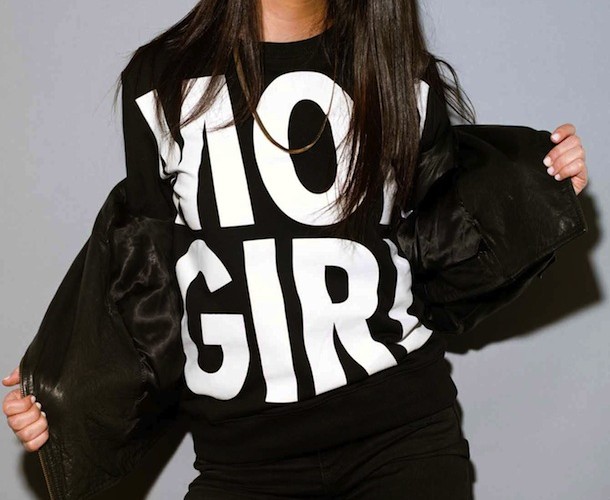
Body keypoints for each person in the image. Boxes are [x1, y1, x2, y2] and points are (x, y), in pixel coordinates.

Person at [3, 1, 588, 498]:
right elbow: (150, 289)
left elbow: (439, 250)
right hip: (242, 463)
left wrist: (540, 186)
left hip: (403, 440)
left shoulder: (398, 71)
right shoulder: (160, 79)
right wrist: (70, 399)